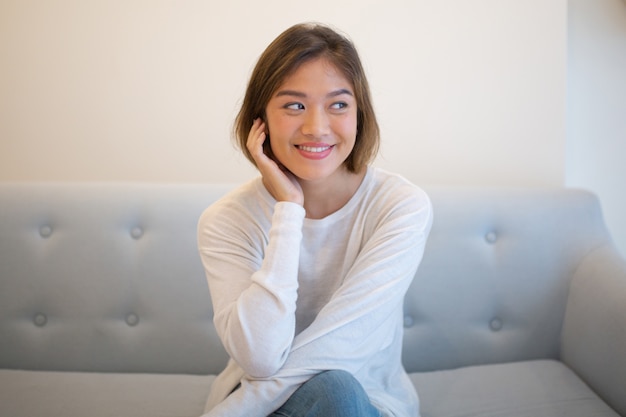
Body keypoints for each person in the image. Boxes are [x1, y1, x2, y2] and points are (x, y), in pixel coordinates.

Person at [197, 22, 433, 417]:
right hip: (269, 402)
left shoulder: (400, 206)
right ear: (260, 120)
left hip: (359, 402)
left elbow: (341, 344)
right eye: (294, 105)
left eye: (338, 104)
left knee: (338, 390)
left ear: (360, 114)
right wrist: (289, 209)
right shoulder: (226, 221)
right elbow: (259, 358)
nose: (316, 127)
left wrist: (237, 410)